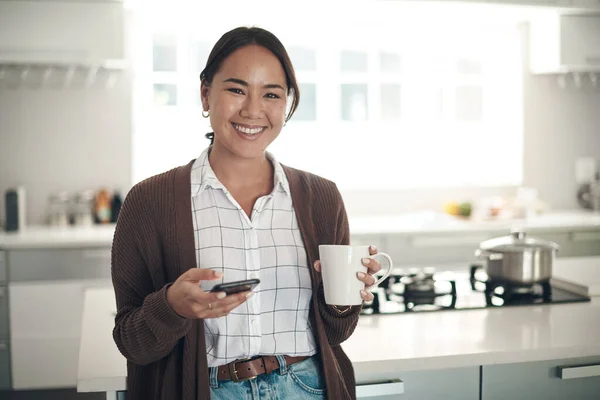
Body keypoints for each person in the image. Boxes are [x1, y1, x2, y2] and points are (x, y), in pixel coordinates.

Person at [111, 26, 382, 400]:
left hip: (307, 386)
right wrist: (172, 305)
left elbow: (336, 333)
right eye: (236, 89)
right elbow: (131, 341)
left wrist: (342, 298)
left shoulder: (321, 198)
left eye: (271, 94)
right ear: (206, 93)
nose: (253, 110)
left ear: (286, 103)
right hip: (208, 390)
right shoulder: (149, 202)